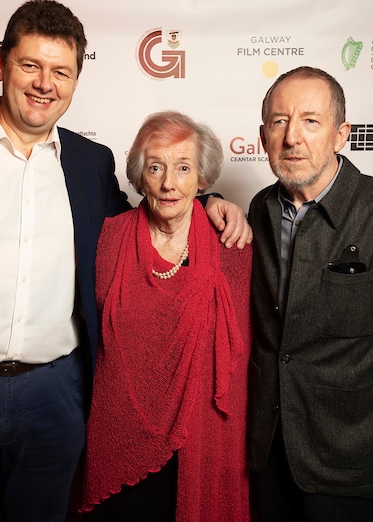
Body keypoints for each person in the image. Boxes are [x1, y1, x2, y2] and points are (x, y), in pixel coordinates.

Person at [0, 2, 251, 521]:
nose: (45, 83)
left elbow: (145, 219)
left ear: (76, 80)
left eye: (61, 71)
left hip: (55, 399)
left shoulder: (90, 164)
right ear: (1, 64)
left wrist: (207, 199)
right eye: (30, 65)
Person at [247, 65, 373, 522]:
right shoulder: (257, 209)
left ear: (341, 134)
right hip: (267, 455)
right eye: (279, 122)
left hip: (352, 467)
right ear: (262, 136)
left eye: (311, 121)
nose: (292, 136)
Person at [79, 111, 253, 522]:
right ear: (140, 176)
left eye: (183, 168)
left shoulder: (234, 248)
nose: (169, 183)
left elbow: (244, 366)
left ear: (203, 179)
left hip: (203, 441)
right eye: (156, 167)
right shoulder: (108, 239)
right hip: (120, 437)